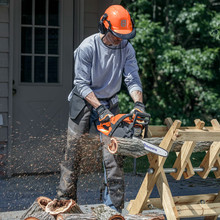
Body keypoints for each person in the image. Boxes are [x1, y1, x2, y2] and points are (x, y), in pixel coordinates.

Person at [56, 5, 146, 212]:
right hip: (84, 101)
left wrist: (138, 104)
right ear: (104, 27)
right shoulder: (87, 47)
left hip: (110, 102)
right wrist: (99, 108)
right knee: (73, 151)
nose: (120, 40)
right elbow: (81, 83)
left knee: (114, 154)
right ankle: (66, 202)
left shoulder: (126, 47)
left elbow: (132, 78)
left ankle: (113, 208)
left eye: (123, 36)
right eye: (116, 35)